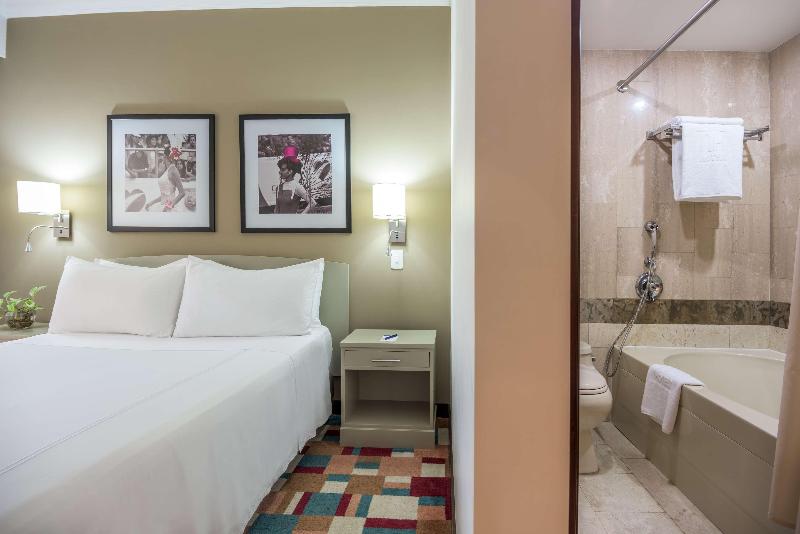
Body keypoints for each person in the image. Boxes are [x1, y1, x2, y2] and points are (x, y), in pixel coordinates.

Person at [274, 146, 315, 214]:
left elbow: (312, 203)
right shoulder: (278, 188)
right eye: (280, 169)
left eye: (283, 170)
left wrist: (301, 216)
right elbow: (276, 209)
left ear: (290, 171)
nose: (280, 172)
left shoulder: (297, 186)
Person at [145, 147, 185, 212]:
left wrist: (169, 206)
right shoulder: (168, 170)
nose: (162, 158)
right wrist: (151, 203)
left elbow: (182, 193)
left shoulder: (173, 170)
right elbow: (164, 196)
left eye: (163, 156)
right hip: (164, 205)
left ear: (166, 157)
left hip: (170, 207)